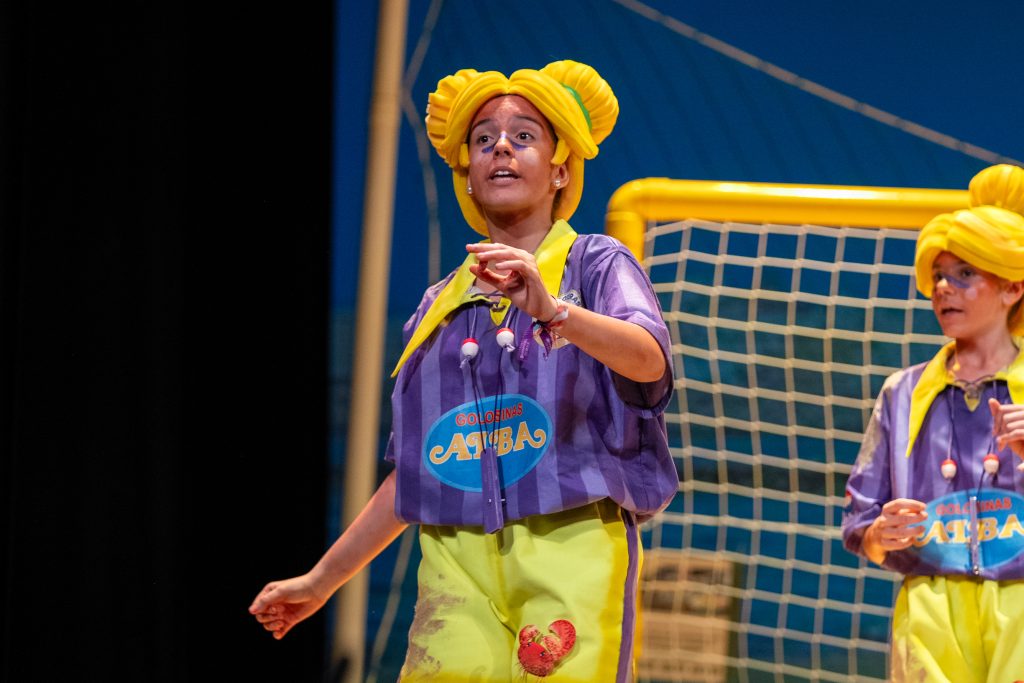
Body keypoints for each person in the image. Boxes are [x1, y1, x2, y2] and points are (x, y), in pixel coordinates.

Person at [249, 60, 677, 681]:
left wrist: (553, 311)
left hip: (572, 541)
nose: (501, 146)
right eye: (483, 140)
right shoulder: (437, 309)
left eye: (524, 135)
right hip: (454, 560)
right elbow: (419, 472)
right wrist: (321, 581)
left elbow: (649, 359)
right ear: (468, 177)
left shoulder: (593, 264)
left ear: (560, 169)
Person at [842, 163, 1024, 682]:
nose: (944, 288)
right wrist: (882, 533)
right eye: (939, 276)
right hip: (930, 610)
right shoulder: (901, 392)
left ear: (1012, 286)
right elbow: (861, 524)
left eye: (965, 274)